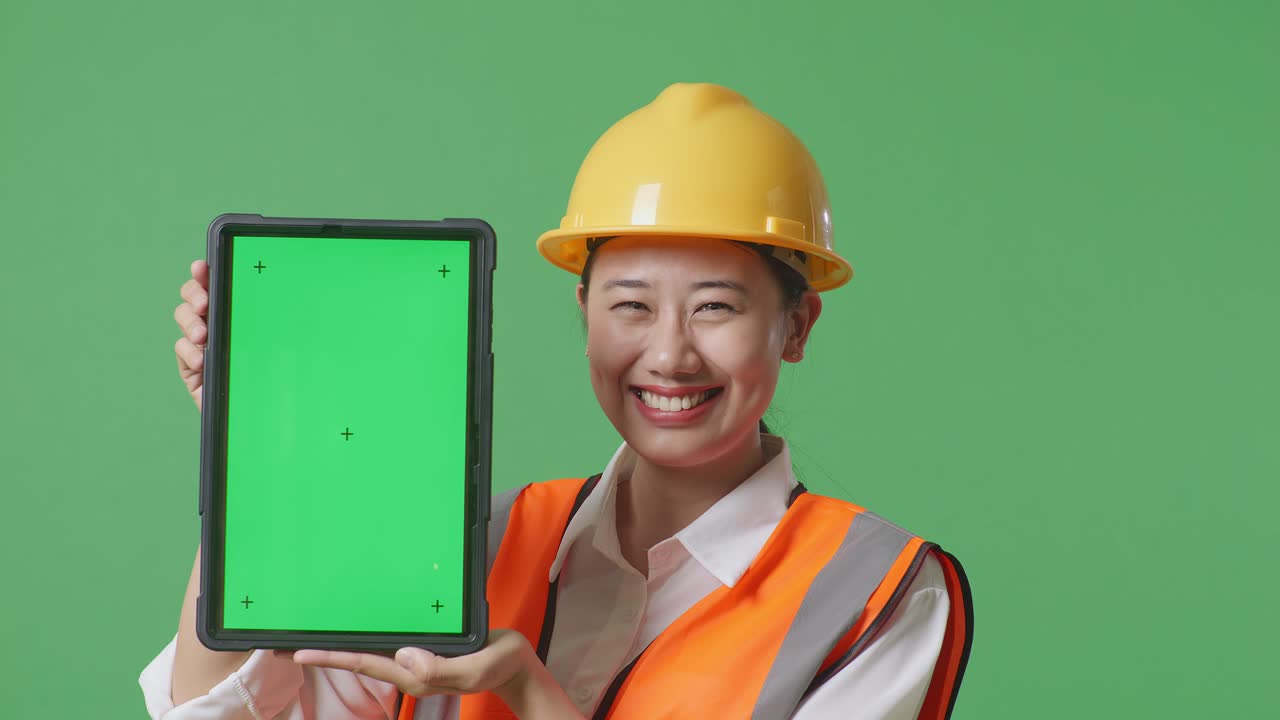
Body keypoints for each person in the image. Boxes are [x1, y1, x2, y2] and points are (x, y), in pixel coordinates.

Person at [144, 82, 973, 719]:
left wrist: (525, 689)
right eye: (631, 305)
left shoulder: (876, 592)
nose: (669, 354)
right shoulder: (473, 546)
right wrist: (246, 446)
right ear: (585, 315)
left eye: (716, 306)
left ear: (797, 325)